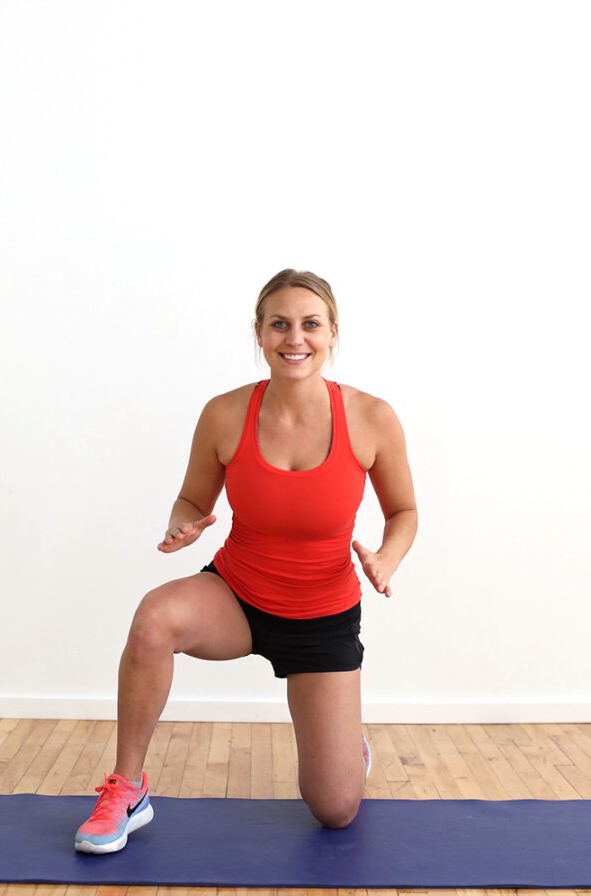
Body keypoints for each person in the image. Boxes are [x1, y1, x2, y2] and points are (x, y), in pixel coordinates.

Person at [74, 268, 418, 854]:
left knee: (335, 810)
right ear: (258, 333)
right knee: (153, 619)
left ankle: (345, 744)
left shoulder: (371, 417)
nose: (295, 339)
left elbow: (404, 510)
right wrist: (182, 524)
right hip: (238, 595)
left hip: (323, 618)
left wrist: (387, 557)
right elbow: (192, 498)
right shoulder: (225, 414)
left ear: (333, 333)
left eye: (310, 324)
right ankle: (127, 789)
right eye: (279, 324)